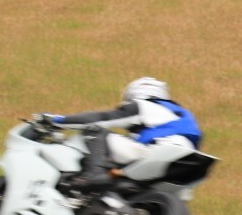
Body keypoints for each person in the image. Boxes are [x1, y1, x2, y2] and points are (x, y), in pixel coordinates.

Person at [38, 76, 202, 190]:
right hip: (185, 166)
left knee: (94, 130)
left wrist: (57, 120)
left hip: (158, 151)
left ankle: (93, 174)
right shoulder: (181, 115)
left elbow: (101, 119)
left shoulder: (145, 105)